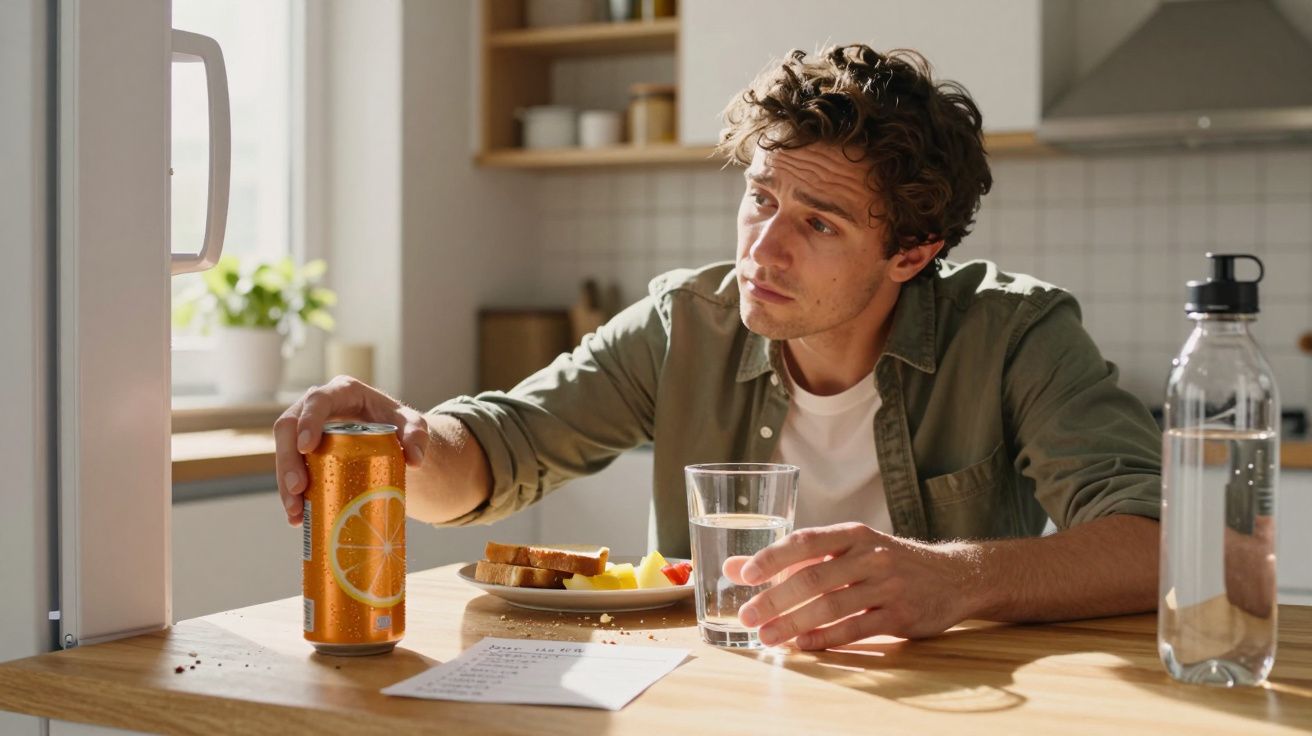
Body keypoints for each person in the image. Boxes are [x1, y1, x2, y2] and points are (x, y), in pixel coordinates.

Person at [273, 44, 1162, 651]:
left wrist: (950, 580)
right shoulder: (686, 322)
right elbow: (501, 450)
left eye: (817, 223)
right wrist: (407, 442)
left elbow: (1168, 544)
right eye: (761, 197)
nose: (763, 250)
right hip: (715, 698)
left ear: (911, 254)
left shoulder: (1015, 334)